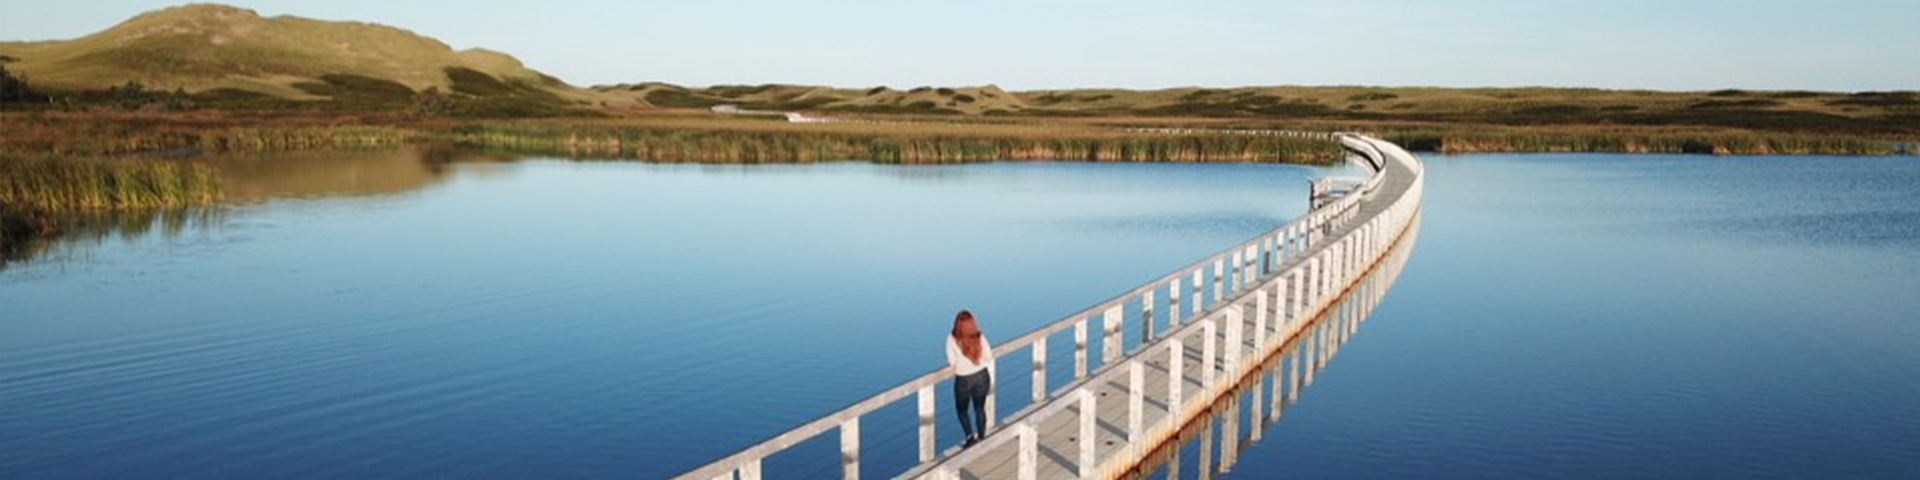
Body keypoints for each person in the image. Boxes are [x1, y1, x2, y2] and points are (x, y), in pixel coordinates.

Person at [947, 309, 995, 447]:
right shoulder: (979, 336)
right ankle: (981, 437)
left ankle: (969, 437)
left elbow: (952, 362)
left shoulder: (952, 338)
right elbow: (988, 356)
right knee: (979, 408)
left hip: (963, 380)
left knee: (962, 410)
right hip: (981, 376)